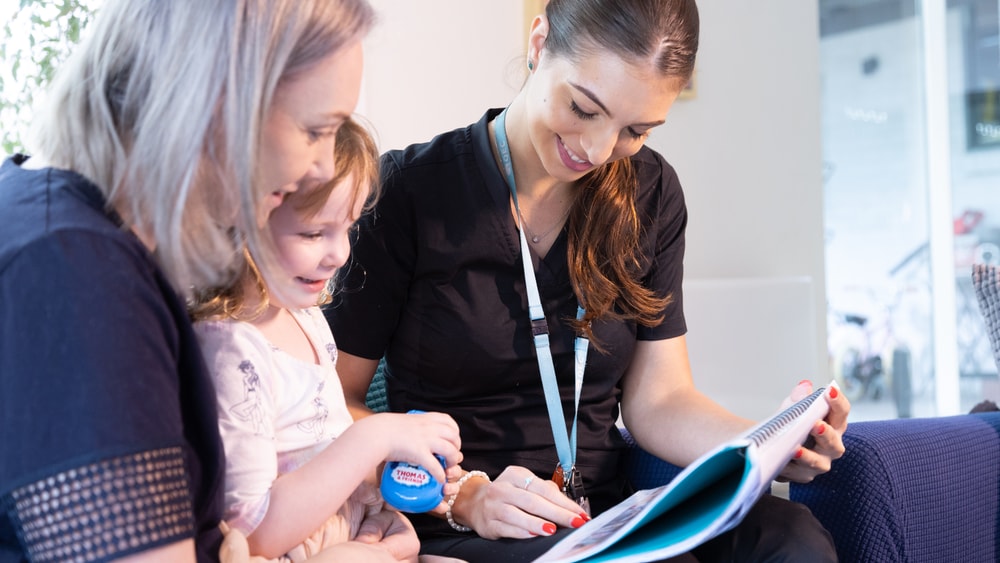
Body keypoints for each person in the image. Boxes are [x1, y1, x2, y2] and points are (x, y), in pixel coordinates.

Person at [325, 0, 850, 561]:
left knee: (795, 541)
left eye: (636, 130)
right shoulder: (407, 192)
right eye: (584, 107)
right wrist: (464, 493)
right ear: (538, 43)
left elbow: (661, 399)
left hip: (602, 510)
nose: (598, 151)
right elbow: (336, 403)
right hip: (467, 516)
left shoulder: (651, 193)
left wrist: (767, 443)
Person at [0, 0, 382, 561]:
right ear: (215, 99)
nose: (322, 168)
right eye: (315, 130)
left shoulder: (58, 223)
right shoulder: (76, 276)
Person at [190, 118, 464, 562]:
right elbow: (255, 532)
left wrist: (384, 485)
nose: (340, 254)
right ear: (236, 222)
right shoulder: (232, 352)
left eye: (348, 227)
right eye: (315, 232)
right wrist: (373, 439)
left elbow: (323, 441)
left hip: (355, 532)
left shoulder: (304, 314)